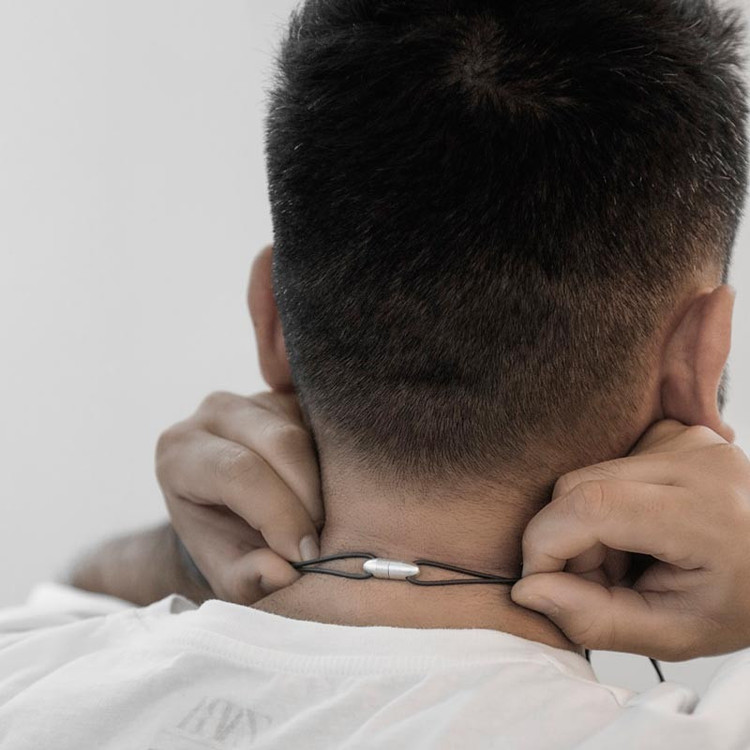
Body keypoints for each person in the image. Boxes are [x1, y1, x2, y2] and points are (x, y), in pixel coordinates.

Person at [3, 0, 750, 747]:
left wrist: (193, 555)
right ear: (698, 358)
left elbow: (75, 600)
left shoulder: (28, 680)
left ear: (274, 319)